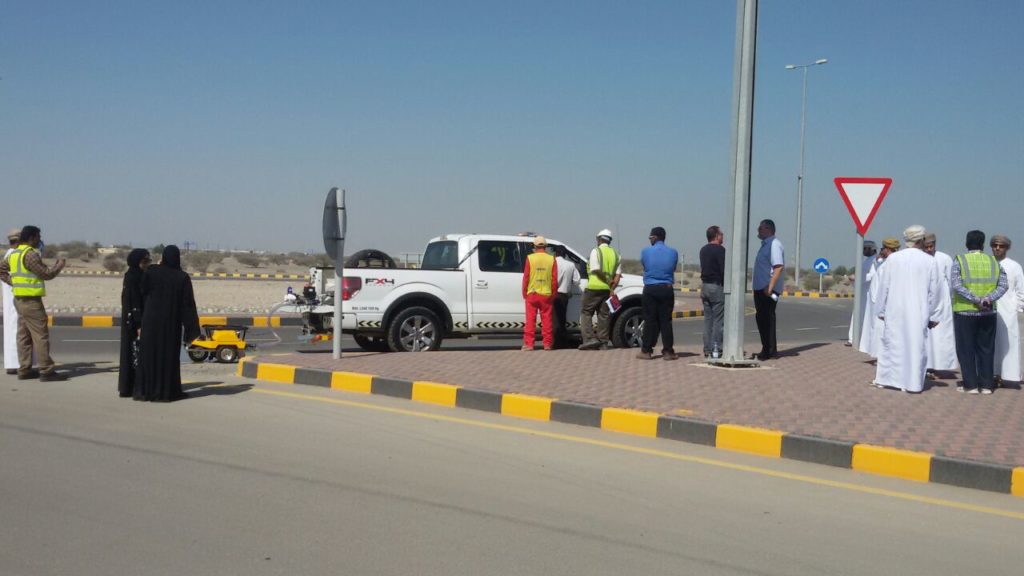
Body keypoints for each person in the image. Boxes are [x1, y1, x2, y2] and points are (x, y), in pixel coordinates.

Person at [872, 226, 941, 393]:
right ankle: (912, 382)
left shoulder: (893, 259)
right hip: (918, 310)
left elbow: (883, 287)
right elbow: (935, 292)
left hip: (894, 309)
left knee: (893, 343)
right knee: (914, 345)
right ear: (921, 240)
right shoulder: (930, 261)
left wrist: (881, 310)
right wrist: (933, 314)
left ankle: (888, 379)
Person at [0, 226, 67, 381]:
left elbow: (1, 270)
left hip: (19, 300)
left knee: (23, 335)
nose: (39, 240)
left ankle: (24, 369)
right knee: (40, 335)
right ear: (31, 238)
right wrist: (59, 266)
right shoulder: (29, 255)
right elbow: (46, 274)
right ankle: (46, 370)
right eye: (38, 237)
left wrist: (14, 283)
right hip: (31, 301)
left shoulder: (14, 254)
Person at [135, 245, 200, 402]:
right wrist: (192, 331)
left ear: (163, 257)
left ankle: (145, 391)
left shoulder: (151, 272)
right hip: (170, 322)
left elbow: (142, 291)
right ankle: (166, 392)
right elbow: (188, 306)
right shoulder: (182, 277)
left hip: (150, 320)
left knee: (149, 355)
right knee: (167, 356)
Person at [951, 230, 1008, 394]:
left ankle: (971, 385)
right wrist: (987, 299)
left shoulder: (960, 260)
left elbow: (956, 284)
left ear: (966, 244)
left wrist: (975, 299)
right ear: (983, 245)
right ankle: (987, 385)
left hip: (965, 311)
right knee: (986, 348)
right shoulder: (994, 261)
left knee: (966, 349)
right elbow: (1003, 285)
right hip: (988, 312)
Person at [637, 227, 679, 360]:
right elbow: (673, 268)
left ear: (654, 237)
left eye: (650, 238)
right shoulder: (673, 252)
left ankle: (646, 351)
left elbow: (645, 266)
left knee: (650, 320)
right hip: (666, 288)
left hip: (650, 288)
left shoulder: (645, 251)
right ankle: (668, 351)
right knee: (666, 321)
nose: (650, 240)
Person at [578, 229, 621, 350]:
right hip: (606, 290)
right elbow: (617, 275)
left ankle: (590, 339)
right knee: (604, 315)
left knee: (586, 313)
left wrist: (606, 281)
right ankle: (603, 343)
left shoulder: (595, 251)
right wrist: (611, 287)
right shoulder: (616, 254)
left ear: (599, 239)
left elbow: (595, 269)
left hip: (594, 288)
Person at [118, 249, 151, 398]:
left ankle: (128, 386)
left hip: (129, 320)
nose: (147, 264)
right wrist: (139, 324)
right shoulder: (135, 277)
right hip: (134, 322)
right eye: (145, 261)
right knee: (135, 354)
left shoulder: (132, 275)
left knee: (131, 354)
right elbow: (135, 302)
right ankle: (134, 386)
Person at [923, 233, 958, 374]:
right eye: (926, 247)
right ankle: (927, 366)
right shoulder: (921, 259)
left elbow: (951, 282)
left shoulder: (945, 258)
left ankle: (942, 366)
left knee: (941, 335)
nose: (929, 249)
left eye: (931, 246)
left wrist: (946, 299)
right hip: (925, 300)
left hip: (943, 302)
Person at [990, 235, 1023, 385]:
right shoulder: (987, 263)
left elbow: (1020, 290)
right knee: (991, 344)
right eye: (995, 245)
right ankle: (992, 374)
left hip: (1008, 311)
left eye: (1001, 246)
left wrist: (1018, 307)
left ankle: (1009, 376)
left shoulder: (1014, 266)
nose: (997, 248)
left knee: (1008, 343)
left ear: (1007, 248)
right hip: (989, 310)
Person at [859, 237, 899, 358]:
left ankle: (881, 355)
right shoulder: (884, 262)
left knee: (880, 330)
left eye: (883, 248)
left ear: (887, 249)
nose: (881, 250)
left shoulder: (892, 263)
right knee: (874, 328)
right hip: (876, 301)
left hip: (882, 303)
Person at [752, 219, 784, 361]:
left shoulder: (774, 244)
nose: (758, 230)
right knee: (762, 318)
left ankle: (770, 350)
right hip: (760, 288)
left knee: (767, 319)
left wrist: (770, 287)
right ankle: (767, 348)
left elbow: (778, 266)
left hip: (767, 290)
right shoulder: (765, 245)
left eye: (761, 228)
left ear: (769, 229)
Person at [521, 236, 558, 351]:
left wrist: (524, 292)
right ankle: (547, 344)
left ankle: (529, 344)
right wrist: (553, 294)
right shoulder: (552, 259)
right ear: (546, 247)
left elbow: (526, 277)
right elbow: (554, 279)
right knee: (547, 321)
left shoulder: (530, 258)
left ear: (534, 246)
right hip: (546, 294)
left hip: (532, 293)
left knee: (530, 321)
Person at [700, 225, 725, 358]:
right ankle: (717, 348)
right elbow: (723, 270)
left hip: (705, 286)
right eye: (721, 234)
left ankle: (707, 349)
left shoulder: (703, 250)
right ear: (716, 236)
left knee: (707, 320)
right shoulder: (720, 250)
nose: (723, 236)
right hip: (716, 286)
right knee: (718, 321)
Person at [847, 240, 876, 346]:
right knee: (857, 315)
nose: (863, 251)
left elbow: (873, 275)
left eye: (865, 248)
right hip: (861, 292)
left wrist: (859, 278)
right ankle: (853, 338)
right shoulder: (866, 260)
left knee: (865, 316)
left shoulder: (874, 261)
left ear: (871, 249)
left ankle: (859, 339)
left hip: (868, 293)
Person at [552, 244, 580, 349]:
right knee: (562, 319)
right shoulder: (571, 265)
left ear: (555, 253)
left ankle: (554, 342)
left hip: (552, 293)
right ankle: (561, 343)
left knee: (554, 319)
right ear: (565, 254)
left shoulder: (552, 263)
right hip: (564, 294)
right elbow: (577, 281)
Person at [3, 228, 21, 374]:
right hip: (18, 298)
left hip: (12, 299)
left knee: (12, 329)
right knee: (18, 330)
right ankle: (18, 364)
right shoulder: (15, 255)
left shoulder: (7, 255)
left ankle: (12, 363)